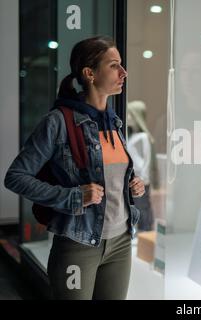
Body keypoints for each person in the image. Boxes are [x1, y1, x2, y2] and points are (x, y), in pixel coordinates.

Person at [4, 36, 146, 300]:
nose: (123, 72)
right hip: (77, 243)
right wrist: (73, 196)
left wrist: (131, 184)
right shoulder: (57, 122)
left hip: (121, 242)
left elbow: (109, 173)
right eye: (114, 65)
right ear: (90, 73)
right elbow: (15, 177)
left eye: (122, 65)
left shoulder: (113, 122)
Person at [127, 100, 159, 231]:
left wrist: (143, 177)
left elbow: (146, 159)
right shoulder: (133, 136)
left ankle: (146, 231)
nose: (128, 117)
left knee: (143, 207)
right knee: (137, 207)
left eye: (130, 114)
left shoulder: (142, 137)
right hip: (134, 179)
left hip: (140, 179)